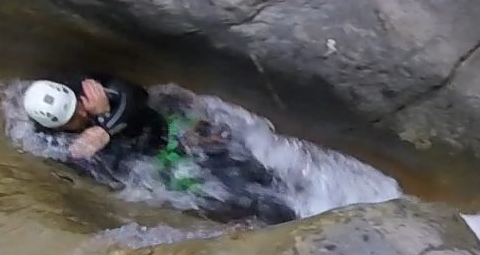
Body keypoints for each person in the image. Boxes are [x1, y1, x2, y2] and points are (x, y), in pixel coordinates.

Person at [21, 75, 296, 224]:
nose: (82, 111)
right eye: (74, 118)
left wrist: (105, 125)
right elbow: (120, 167)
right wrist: (109, 133)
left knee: (242, 160)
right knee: (237, 199)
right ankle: (285, 222)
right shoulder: (61, 147)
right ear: (58, 128)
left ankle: (294, 190)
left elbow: (135, 94)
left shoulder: (79, 91)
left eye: (77, 105)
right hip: (158, 166)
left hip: (171, 129)